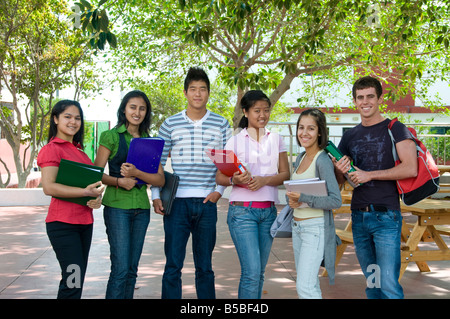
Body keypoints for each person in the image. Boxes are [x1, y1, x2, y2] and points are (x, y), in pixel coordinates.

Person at [151, 67, 231, 299]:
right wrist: (156, 195)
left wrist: (218, 192)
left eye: (203, 89)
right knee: (173, 266)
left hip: (207, 203)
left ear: (208, 93)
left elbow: (226, 164)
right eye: (193, 89)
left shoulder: (221, 124)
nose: (198, 94)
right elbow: (157, 163)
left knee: (204, 267)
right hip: (176, 204)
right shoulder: (170, 124)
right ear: (185, 92)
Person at [334, 76, 418, 299]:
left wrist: (368, 174)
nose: (365, 101)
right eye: (360, 97)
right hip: (359, 218)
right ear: (355, 101)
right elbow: (338, 181)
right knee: (373, 284)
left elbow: (411, 168)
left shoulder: (396, 128)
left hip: (386, 218)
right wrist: (339, 169)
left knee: (389, 286)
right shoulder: (350, 135)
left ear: (380, 98)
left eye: (370, 96)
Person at [216, 90, 290, 299]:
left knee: (259, 273)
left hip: (268, 213)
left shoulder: (276, 139)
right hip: (242, 213)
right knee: (251, 272)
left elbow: (285, 174)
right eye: (257, 110)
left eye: (266, 110)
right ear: (246, 112)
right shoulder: (235, 142)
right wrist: (234, 180)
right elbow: (220, 177)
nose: (262, 115)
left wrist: (264, 180)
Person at [94, 90, 165, 299]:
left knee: (132, 270)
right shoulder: (111, 136)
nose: (137, 112)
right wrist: (119, 181)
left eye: (142, 108)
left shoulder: (149, 141)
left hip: (142, 209)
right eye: (133, 107)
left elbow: (160, 179)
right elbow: (97, 172)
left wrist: (137, 174)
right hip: (117, 208)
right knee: (121, 269)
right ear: (124, 109)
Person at [37, 100, 105, 299]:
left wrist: (96, 198)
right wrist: (85, 192)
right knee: (72, 279)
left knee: (77, 278)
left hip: (84, 223)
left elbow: (91, 188)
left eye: (77, 118)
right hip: (63, 224)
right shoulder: (53, 149)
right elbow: (48, 187)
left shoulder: (81, 153)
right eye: (67, 116)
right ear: (56, 119)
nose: (73, 122)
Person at [285, 108, 341, 299]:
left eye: (310, 128)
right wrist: (292, 200)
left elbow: (335, 200)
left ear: (319, 132)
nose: (304, 133)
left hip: (315, 229)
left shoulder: (322, 160)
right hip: (298, 227)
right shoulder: (300, 158)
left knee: (305, 287)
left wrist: (303, 198)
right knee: (310, 285)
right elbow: (295, 193)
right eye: (301, 128)